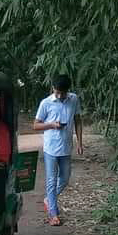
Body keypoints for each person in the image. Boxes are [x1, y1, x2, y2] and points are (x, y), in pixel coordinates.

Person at [33, 74, 83, 226]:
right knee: (51, 180)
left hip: (66, 148)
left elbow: (78, 121)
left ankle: (49, 199)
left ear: (68, 91)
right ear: (53, 88)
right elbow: (35, 125)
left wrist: (80, 143)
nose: (60, 95)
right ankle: (53, 214)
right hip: (51, 149)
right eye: (57, 92)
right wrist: (51, 125)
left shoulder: (74, 99)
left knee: (65, 178)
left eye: (63, 92)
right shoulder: (46, 103)